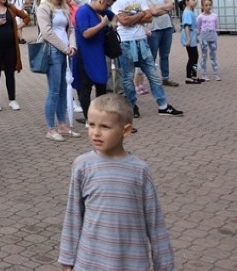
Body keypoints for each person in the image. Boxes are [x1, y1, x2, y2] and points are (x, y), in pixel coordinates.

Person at [58, 94, 175, 271]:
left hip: (132, 263)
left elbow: (155, 222)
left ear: (125, 131)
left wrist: (165, 265)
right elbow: (73, 215)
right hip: (89, 262)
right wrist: (67, 260)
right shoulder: (82, 166)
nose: (96, 132)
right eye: (91, 125)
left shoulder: (139, 171)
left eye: (105, 126)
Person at [111, 0, 184, 118]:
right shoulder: (116, 1)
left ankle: (163, 106)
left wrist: (131, 16)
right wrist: (139, 15)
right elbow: (123, 22)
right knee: (127, 77)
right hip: (125, 43)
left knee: (153, 74)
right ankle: (132, 106)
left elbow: (149, 18)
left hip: (141, 40)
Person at [36, 0, 79, 142]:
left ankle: (62, 124)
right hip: (53, 50)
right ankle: (50, 128)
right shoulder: (44, 7)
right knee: (54, 90)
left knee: (64, 89)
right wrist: (64, 47)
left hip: (67, 51)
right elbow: (46, 32)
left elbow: (71, 28)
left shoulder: (65, 6)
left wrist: (73, 46)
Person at [73, 0, 117, 123]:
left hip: (98, 53)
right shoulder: (82, 11)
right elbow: (85, 33)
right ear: (100, 0)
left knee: (101, 84)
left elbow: (113, 15)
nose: (107, 8)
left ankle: (100, 115)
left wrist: (113, 22)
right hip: (85, 54)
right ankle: (89, 118)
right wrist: (102, 25)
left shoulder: (101, 10)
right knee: (85, 87)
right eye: (107, 4)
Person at [142, 0, 179, 87]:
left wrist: (160, 9)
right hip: (154, 29)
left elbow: (171, 6)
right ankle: (153, 79)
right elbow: (153, 12)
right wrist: (165, 9)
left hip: (167, 27)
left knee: (165, 54)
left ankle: (165, 78)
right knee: (152, 56)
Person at [197, 0, 221, 81]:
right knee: (204, 56)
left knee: (213, 55)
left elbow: (216, 25)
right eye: (206, 5)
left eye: (210, 5)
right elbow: (198, 27)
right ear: (202, 7)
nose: (208, 7)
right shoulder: (200, 17)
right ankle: (204, 74)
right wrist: (199, 35)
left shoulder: (214, 16)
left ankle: (216, 73)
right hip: (204, 37)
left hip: (213, 37)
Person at [180, 0, 201, 84]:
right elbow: (186, 26)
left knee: (195, 56)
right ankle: (188, 77)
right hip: (189, 35)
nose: (195, 1)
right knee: (192, 57)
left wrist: (195, 37)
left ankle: (194, 75)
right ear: (187, 1)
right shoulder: (187, 12)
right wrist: (189, 39)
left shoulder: (190, 11)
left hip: (192, 35)